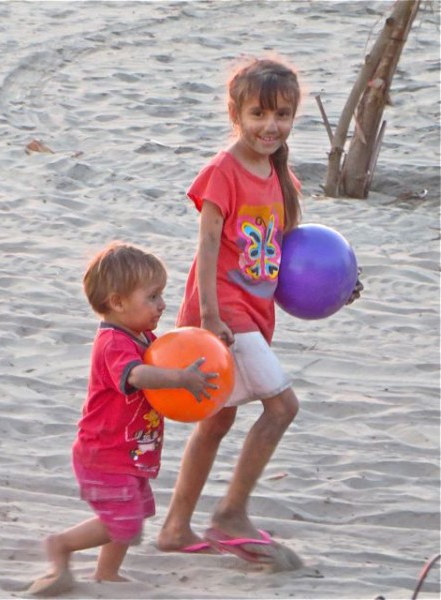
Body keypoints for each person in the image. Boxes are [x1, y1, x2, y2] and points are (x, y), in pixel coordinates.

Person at [157, 56, 362, 568]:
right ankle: (230, 512)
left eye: (283, 115)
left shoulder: (277, 173)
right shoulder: (222, 172)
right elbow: (206, 246)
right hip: (223, 313)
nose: (270, 126)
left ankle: (176, 527)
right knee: (282, 407)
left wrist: (338, 287)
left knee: (219, 421)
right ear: (236, 113)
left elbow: (292, 254)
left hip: (254, 312)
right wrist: (208, 316)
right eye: (258, 114)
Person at [28, 242, 218, 596]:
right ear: (117, 302)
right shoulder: (113, 343)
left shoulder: (143, 335)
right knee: (124, 522)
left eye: (162, 294)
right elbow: (138, 377)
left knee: (136, 512)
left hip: (129, 451)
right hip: (104, 453)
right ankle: (62, 545)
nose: (162, 304)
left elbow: (171, 353)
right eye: (152, 297)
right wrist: (180, 380)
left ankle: (107, 573)